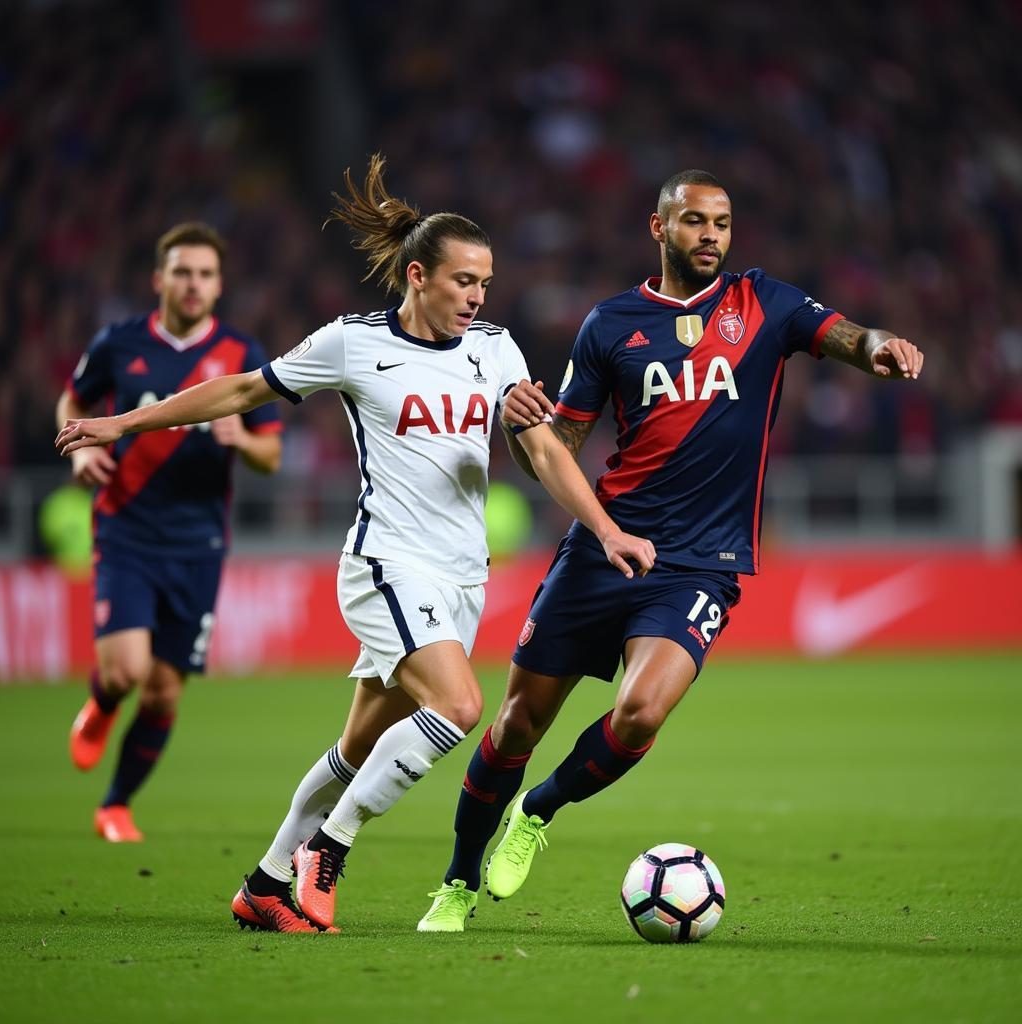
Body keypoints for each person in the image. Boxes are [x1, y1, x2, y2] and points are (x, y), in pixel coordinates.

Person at [56, 154, 656, 933]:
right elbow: (241, 388)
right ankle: (329, 848)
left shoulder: (498, 352)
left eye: (484, 282)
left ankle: (266, 883)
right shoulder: (351, 344)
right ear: (416, 276)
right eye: (462, 281)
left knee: (354, 748)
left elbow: (542, 450)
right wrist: (124, 421)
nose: (477, 297)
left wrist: (604, 527)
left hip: (459, 577)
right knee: (459, 705)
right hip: (385, 563)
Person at [416, 168, 925, 932]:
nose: (711, 235)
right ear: (660, 229)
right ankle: (456, 883)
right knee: (518, 722)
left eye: (721, 222)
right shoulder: (610, 324)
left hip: (702, 562)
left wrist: (882, 345)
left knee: (641, 711)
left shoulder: (766, 304)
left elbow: (848, 336)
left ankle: (539, 811)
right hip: (604, 545)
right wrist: (522, 433)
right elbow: (562, 448)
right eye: (694, 222)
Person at [57, 222, 283, 843]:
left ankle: (116, 805)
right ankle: (102, 704)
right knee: (127, 671)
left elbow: (272, 455)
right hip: (126, 528)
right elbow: (72, 401)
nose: (194, 284)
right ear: (160, 279)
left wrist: (246, 442)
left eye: (206, 274)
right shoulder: (118, 343)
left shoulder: (242, 355)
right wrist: (79, 454)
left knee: (162, 692)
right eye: (183, 272)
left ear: (219, 284)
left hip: (199, 542)